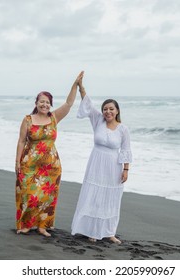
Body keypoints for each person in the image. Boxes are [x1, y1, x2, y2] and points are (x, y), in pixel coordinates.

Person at [15, 71, 84, 236]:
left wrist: (75, 85)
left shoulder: (54, 118)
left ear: (50, 105)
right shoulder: (28, 120)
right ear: (36, 103)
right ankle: (26, 224)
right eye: (41, 102)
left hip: (51, 165)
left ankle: (42, 226)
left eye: (47, 102)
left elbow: (68, 103)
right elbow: (21, 141)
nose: (44, 105)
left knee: (47, 197)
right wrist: (17, 162)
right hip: (29, 163)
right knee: (28, 193)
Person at [71, 74, 132, 244]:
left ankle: (109, 231)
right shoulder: (98, 121)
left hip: (113, 166)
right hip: (96, 163)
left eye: (111, 109)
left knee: (111, 198)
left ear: (117, 111)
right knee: (95, 196)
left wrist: (126, 170)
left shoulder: (123, 129)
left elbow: (126, 150)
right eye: (105, 109)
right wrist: (80, 86)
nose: (108, 111)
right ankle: (92, 230)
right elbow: (88, 105)